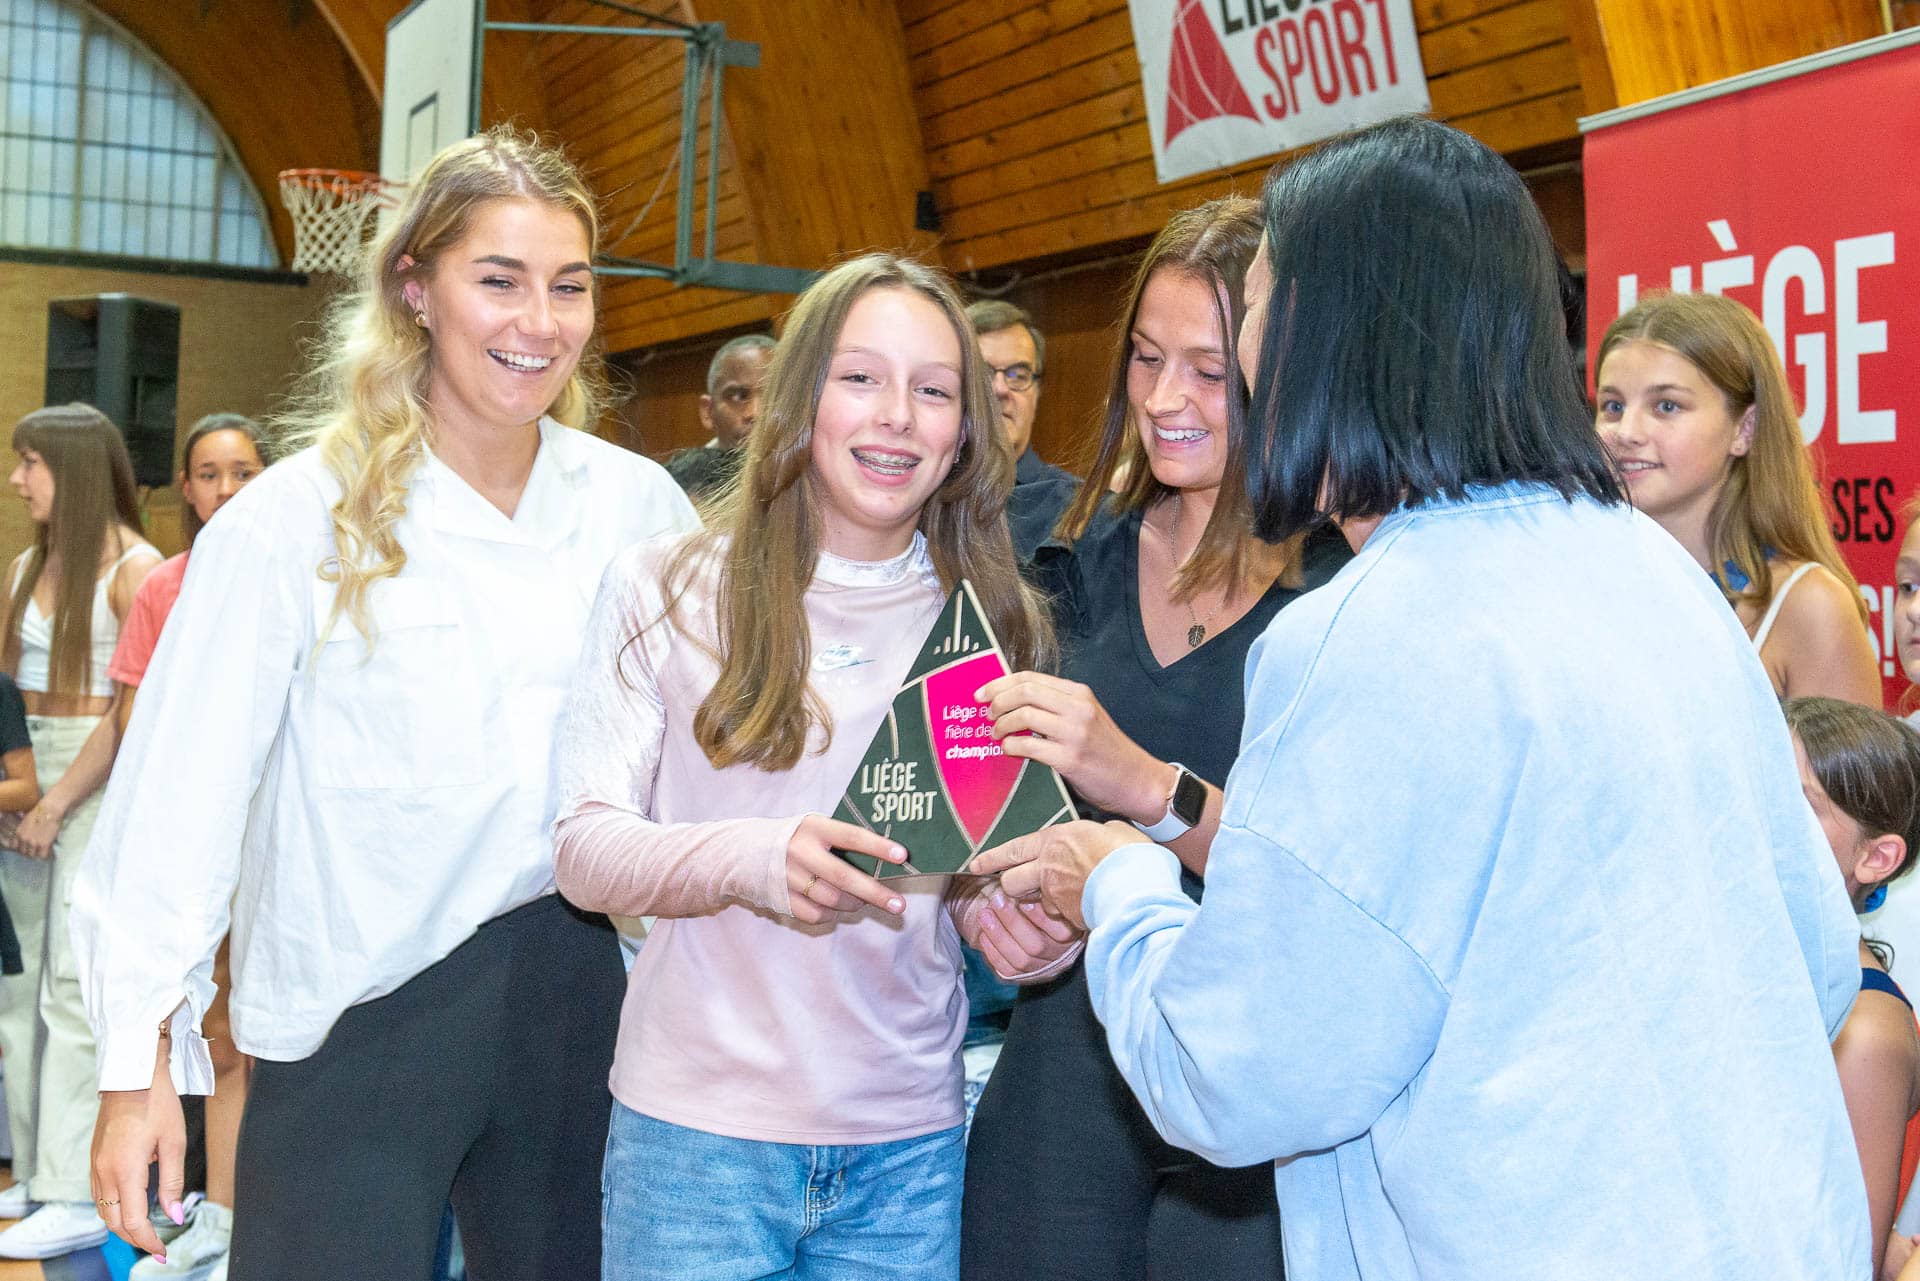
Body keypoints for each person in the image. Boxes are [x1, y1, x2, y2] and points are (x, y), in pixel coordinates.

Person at [977, 116, 1870, 1278]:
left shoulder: (1372, 632)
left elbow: (1234, 1074)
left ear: (1328, 339)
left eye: (1250, 316)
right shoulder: (1657, 573)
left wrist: (1120, 885)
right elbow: (1814, 962)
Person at [73, 125, 698, 1280]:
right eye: (498, 280)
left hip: (577, 1001)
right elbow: (176, 805)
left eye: (569, 286)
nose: (539, 321)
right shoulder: (292, 519)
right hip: (358, 1014)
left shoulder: (639, 509)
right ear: (415, 289)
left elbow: (707, 771)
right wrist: (136, 1065)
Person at [551, 252, 1077, 1280]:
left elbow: (957, 861)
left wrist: (1012, 924)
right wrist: (759, 857)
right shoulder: (664, 586)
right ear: (800, 399)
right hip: (695, 1145)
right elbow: (586, 850)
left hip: (906, 1148)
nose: (897, 417)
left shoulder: (988, 618)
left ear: (964, 429)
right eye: (860, 378)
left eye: (934, 390)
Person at [963, 196, 1347, 1280]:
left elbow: (1333, 888)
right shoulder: (1060, 561)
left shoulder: (1345, 595)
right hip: (1061, 1085)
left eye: (1210, 372)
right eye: (1145, 358)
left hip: (1251, 1121)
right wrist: (986, 906)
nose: (1166, 399)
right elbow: (970, 814)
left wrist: (1141, 783)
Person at [104, 413, 271, 1281]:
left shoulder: (301, 572)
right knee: (213, 1035)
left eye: (244, 470)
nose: (227, 488)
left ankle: (255, 1219)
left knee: (271, 1040)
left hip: (284, 841)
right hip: (202, 843)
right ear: (186, 488)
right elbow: (140, 732)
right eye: (209, 473)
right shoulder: (165, 588)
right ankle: (213, 1216)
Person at [0, 403, 160, 1260]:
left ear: (75, 469)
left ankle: (73, 1186)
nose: (18, 479)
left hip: (96, 782)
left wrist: (57, 800)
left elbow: (130, 717)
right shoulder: (26, 566)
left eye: (31, 462)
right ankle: (34, 1168)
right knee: (19, 987)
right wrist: (16, 792)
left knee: (73, 984)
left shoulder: (137, 571)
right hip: (26, 778)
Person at [1596, 290, 1879, 705]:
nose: (1627, 432)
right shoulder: (1589, 583)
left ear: (1744, 430)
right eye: (1613, 406)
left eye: (1667, 406)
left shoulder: (1807, 604)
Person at [1785, 696, 1920, 1280]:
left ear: (1876, 857)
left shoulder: (1867, 1030)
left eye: (1797, 804)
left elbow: (1843, 1259)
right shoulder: (1778, 970)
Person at [967, 300, 1078, 555]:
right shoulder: (919, 499)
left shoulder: (1078, 510)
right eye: (982, 373)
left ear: (1037, 393)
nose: (1000, 389)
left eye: (1018, 375)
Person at [663, 332, 773, 500]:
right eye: (738, 396)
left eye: (773, 395)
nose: (755, 413)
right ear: (708, 411)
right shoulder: (673, 487)